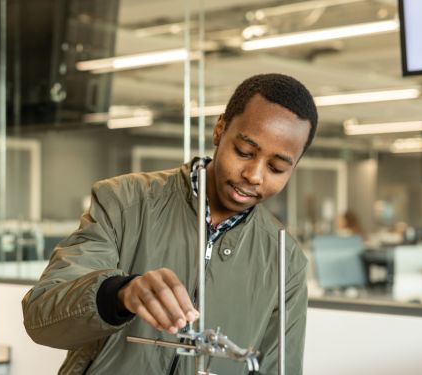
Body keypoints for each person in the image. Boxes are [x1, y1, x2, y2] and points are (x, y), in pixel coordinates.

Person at [23, 73, 317, 374]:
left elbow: (279, 368)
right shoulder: (124, 202)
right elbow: (41, 316)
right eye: (244, 152)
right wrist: (119, 294)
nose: (254, 175)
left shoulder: (285, 260)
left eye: (277, 167)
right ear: (220, 130)